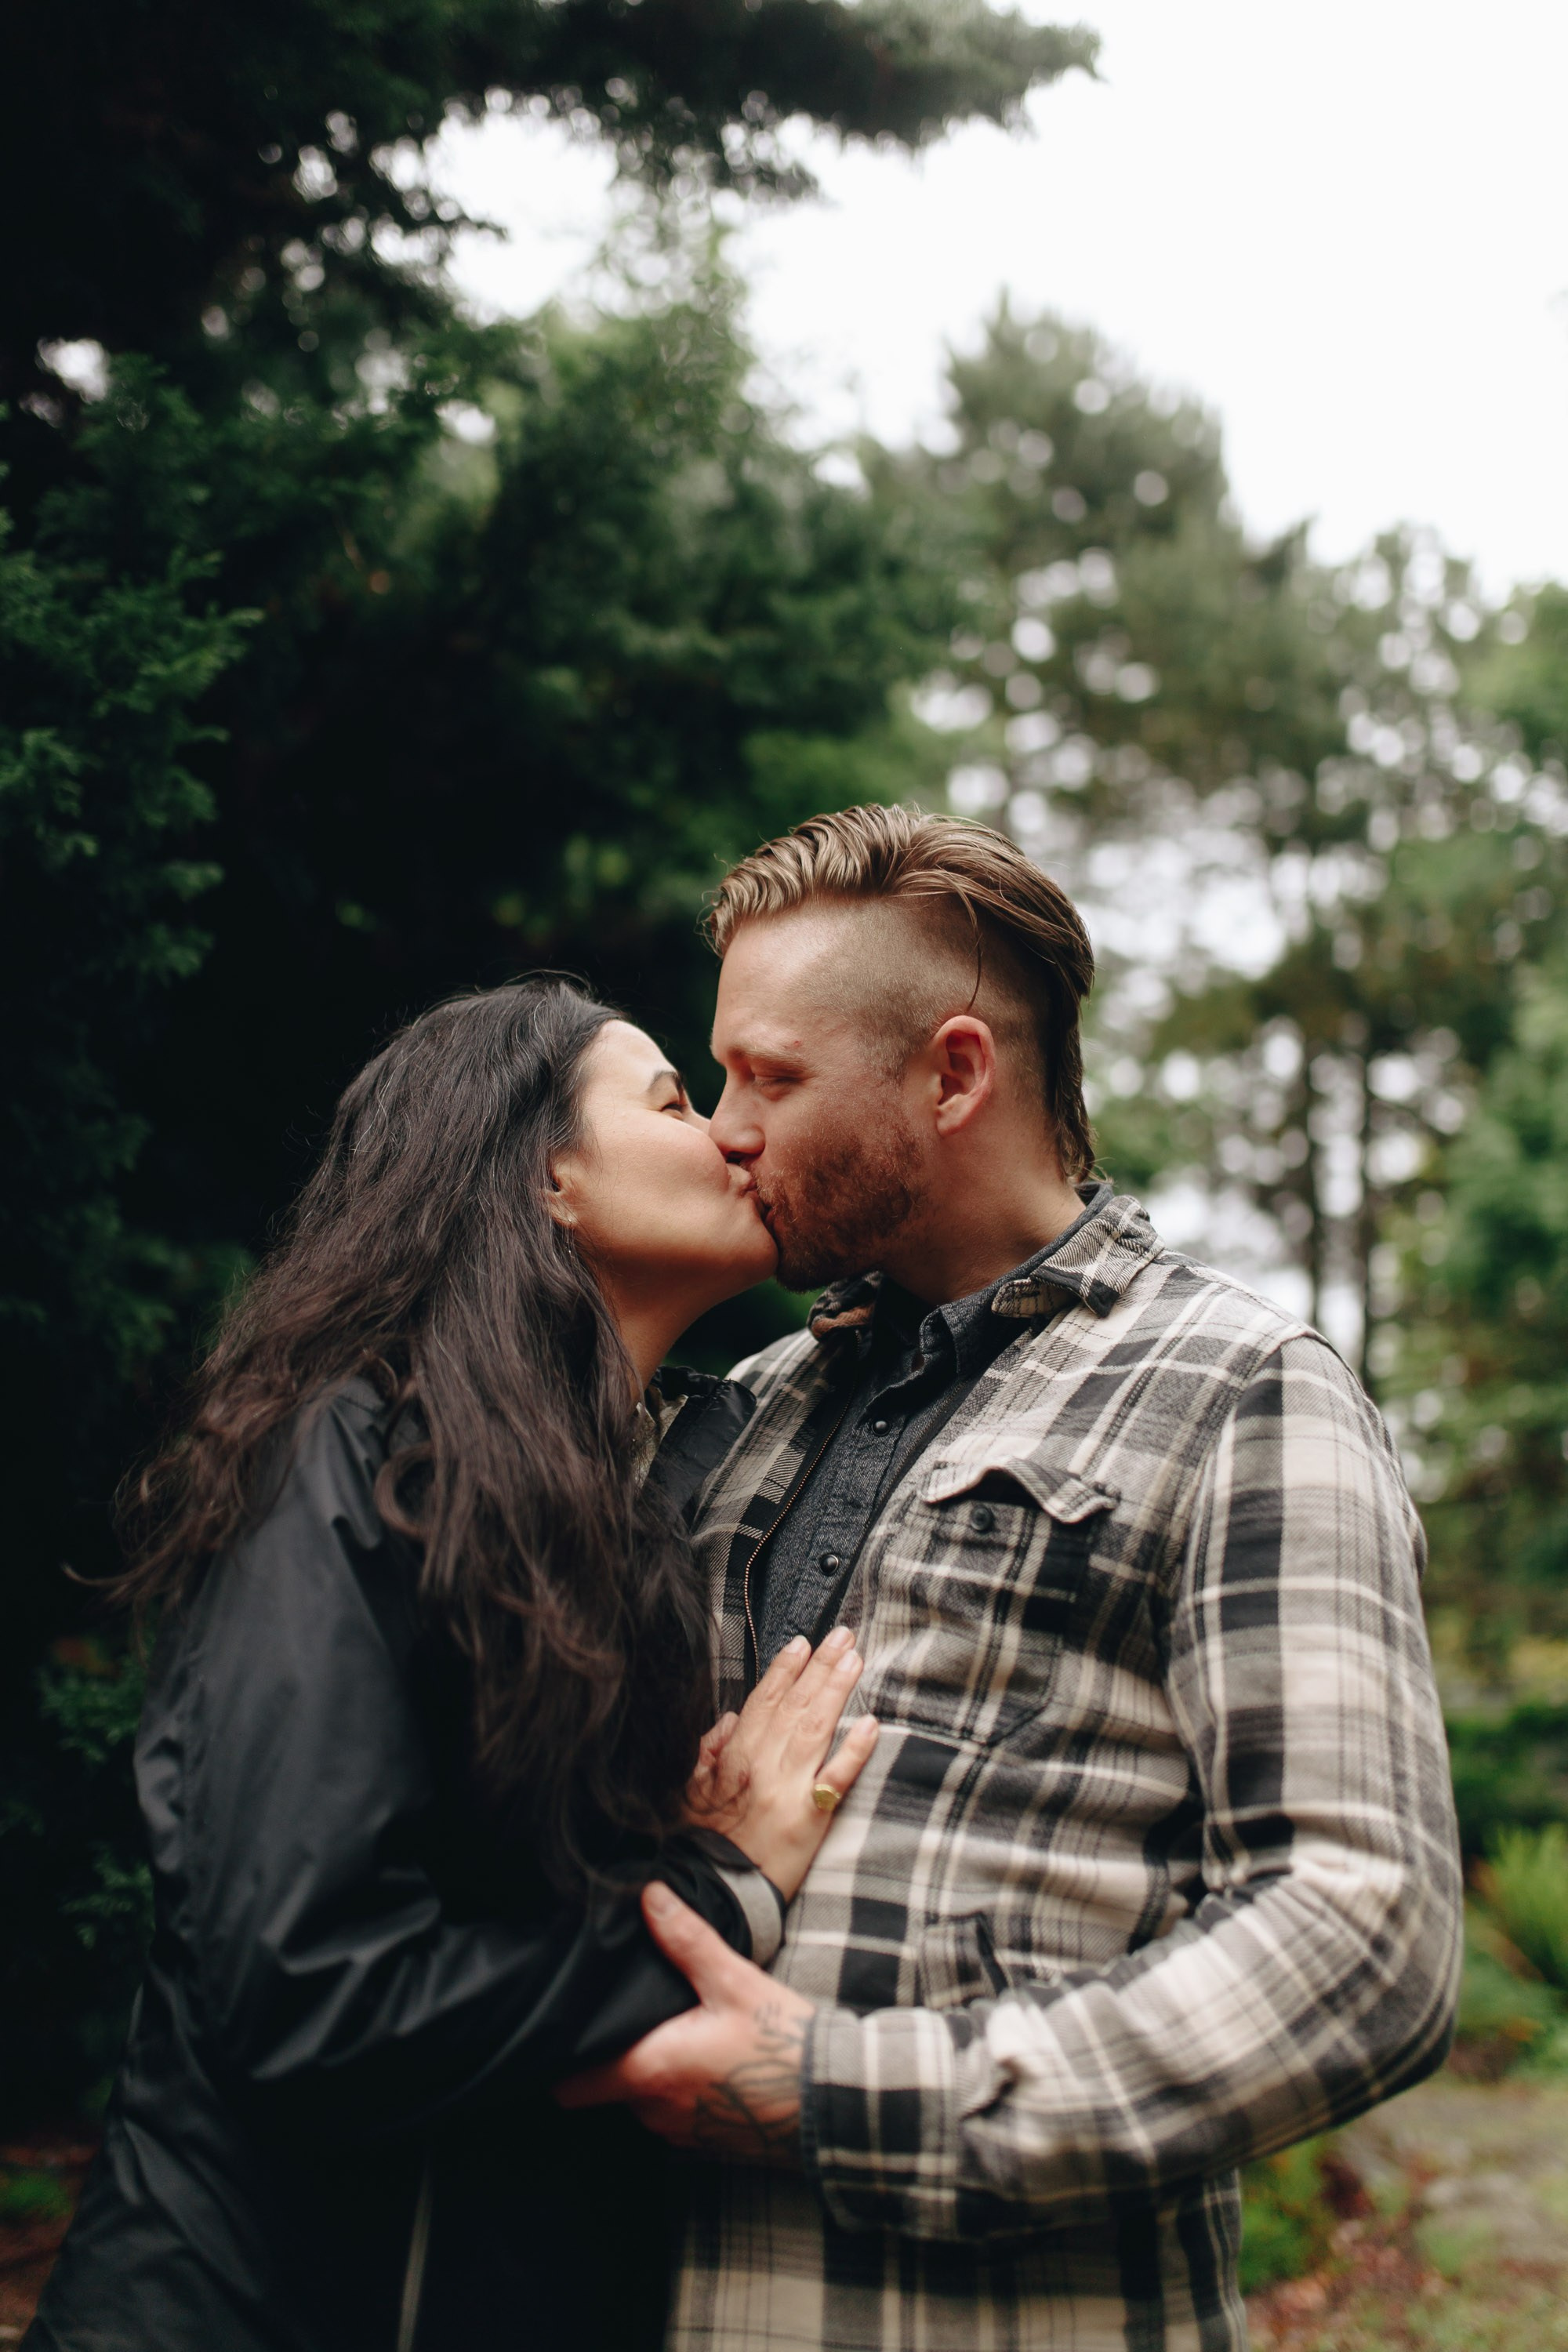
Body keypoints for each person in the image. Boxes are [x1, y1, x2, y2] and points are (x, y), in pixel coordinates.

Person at [560, 807, 1465, 2352]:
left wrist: (843, 2098)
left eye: (769, 1077)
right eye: (720, 1075)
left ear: (954, 1075)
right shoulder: (745, 1406)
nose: (723, 1126)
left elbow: (1363, 1929)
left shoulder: (1243, 1387)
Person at [26, 978, 878, 2352]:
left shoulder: (618, 1523)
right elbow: (313, 1987)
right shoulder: (347, 1458)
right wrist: (713, 1899)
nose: (732, 1136)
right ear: (547, 1180)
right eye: (671, 1099)